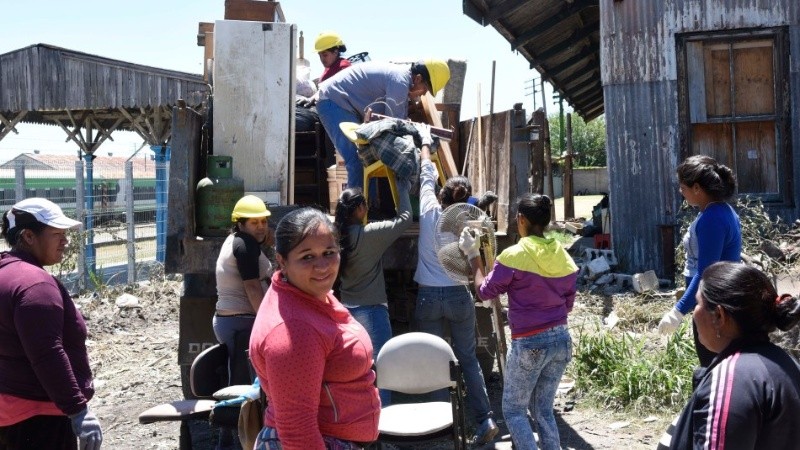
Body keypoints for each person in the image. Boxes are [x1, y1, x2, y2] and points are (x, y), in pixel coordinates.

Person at [248, 208, 379, 450]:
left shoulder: (312, 295)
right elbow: (298, 431)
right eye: (307, 257)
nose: (322, 266)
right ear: (282, 261)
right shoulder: (294, 330)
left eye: (329, 252)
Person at [461, 193, 578, 450]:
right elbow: (568, 304)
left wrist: (473, 256)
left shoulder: (513, 256)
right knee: (544, 410)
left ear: (521, 219)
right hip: (561, 340)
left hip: (530, 343)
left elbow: (484, 291)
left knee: (514, 410)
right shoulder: (563, 256)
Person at [412, 128, 498, 445]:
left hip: (429, 297)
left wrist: (424, 143)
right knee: (468, 359)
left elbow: (425, 175)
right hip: (460, 297)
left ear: (442, 195)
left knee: (434, 359)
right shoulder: (470, 223)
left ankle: (440, 426)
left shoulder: (429, 211)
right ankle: (485, 419)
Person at [0, 198, 102, 450]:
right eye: (56, 233)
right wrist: (78, 411)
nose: (65, 241)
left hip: (9, 412)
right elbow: (47, 353)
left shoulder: (6, 274)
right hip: (39, 416)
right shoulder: (36, 285)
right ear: (28, 236)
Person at [668, 261, 800, 449]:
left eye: (698, 303)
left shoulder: (731, 378)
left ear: (719, 316)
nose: (694, 314)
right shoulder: (785, 363)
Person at [333, 180, 412, 406]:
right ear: (359, 209)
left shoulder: (337, 235)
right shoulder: (370, 235)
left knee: (358, 368)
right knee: (381, 366)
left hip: (347, 309)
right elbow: (405, 219)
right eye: (365, 205)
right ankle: (383, 425)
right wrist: (402, 187)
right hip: (372, 310)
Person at [658, 155, 741, 367]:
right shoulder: (720, 211)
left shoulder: (712, 218)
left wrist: (678, 311)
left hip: (713, 306)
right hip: (718, 301)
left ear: (696, 188)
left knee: (713, 366)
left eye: (682, 186)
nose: (680, 192)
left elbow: (706, 272)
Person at [316, 59, 450, 189]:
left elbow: (397, 122)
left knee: (368, 158)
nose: (424, 94)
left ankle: (370, 207)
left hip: (342, 103)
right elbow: (394, 126)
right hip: (333, 101)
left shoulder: (401, 80)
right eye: (425, 88)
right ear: (418, 79)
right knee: (356, 158)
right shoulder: (400, 81)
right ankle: (353, 210)